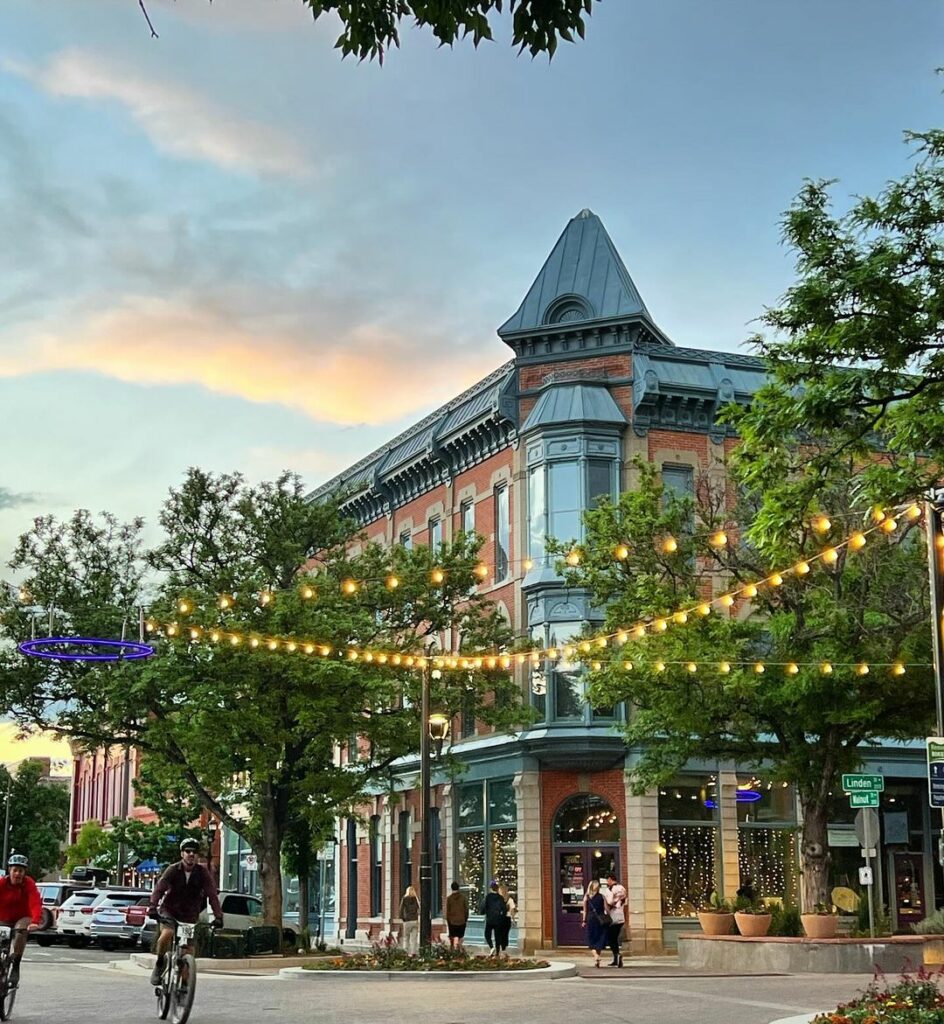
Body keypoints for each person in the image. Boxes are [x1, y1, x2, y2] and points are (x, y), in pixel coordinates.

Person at [147, 838, 223, 987]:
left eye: (194, 852)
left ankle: (184, 986)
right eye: (188, 851)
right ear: (182, 854)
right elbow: (159, 889)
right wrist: (152, 908)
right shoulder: (173, 870)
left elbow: (212, 895)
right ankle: (160, 963)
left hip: (189, 915)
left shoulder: (203, 873)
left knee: (188, 951)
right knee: (167, 935)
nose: (191, 854)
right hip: (169, 911)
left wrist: (218, 916)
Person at [0, 854, 42, 988]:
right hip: (3, 918)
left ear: (24, 872)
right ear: (9, 871)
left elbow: (35, 902)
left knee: (20, 932)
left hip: (22, 917)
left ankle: (16, 965)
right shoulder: (2, 883)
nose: (17, 873)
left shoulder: (28, 884)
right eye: (15, 870)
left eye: (21, 871)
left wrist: (35, 921)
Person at [581, 880, 607, 967]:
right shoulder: (602, 897)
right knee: (599, 938)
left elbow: (585, 911)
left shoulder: (586, 897)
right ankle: (597, 957)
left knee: (591, 939)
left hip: (590, 919)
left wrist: (584, 921)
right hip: (600, 919)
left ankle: (596, 957)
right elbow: (606, 909)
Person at [603, 871, 627, 967]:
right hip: (620, 917)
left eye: (607, 880)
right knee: (614, 938)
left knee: (610, 939)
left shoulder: (610, 890)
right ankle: (616, 958)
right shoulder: (622, 888)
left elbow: (609, 902)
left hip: (612, 917)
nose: (607, 882)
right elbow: (625, 902)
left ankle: (617, 955)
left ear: (610, 879)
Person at [478, 880, 507, 957]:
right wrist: (502, 916)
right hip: (498, 920)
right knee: (498, 936)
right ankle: (497, 952)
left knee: (487, 934)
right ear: (497, 889)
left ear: (491, 889)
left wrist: (482, 912)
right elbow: (504, 909)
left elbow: (483, 907)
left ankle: (491, 947)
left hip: (490, 919)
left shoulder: (488, 897)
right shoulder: (500, 898)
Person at [445, 881, 469, 951]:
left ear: (452, 888)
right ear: (458, 888)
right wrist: (465, 919)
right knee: (460, 937)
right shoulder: (463, 898)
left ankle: (453, 949)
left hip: (452, 921)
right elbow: (466, 910)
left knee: (452, 937)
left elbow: (447, 911)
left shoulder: (449, 899)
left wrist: (448, 920)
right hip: (462, 920)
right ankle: (459, 950)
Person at [398, 885, 420, 954]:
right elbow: (418, 909)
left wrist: (402, 918)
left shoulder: (404, 899)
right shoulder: (416, 899)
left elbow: (401, 909)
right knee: (414, 939)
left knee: (406, 938)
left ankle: (406, 952)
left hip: (407, 921)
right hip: (415, 921)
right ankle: (413, 953)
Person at [497, 884, 516, 958]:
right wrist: (513, 920)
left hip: (499, 919)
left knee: (499, 934)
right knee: (505, 934)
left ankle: (499, 949)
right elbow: (512, 910)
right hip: (507, 919)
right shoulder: (510, 900)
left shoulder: (497, 899)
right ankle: (504, 949)